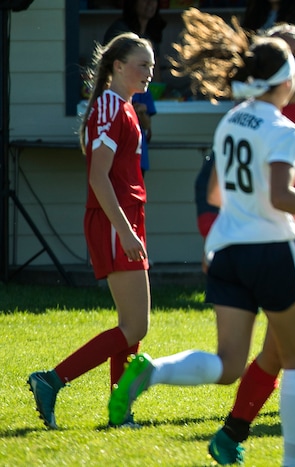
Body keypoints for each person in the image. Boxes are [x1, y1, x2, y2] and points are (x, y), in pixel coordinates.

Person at [107, 10, 295, 467]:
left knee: (229, 364)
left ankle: (154, 370)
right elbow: (281, 195)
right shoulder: (282, 128)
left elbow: (213, 192)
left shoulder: (233, 121)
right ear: (286, 79)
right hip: (273, 249)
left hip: (228, 250)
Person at [188, 23, 295, 466]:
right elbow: (220, 187)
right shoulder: (253, 111)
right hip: (270, 239)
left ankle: (232, 433)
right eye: (288, 54)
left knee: (282, 351)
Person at [27, 33, 155, 429]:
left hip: (125, 220)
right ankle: (51, 380)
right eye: (142, 64)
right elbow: (99, 179)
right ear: (118, 66)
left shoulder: (124, 107)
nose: (150, 72)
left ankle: (120, 413)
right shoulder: (109, 107)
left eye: (151, 64)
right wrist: (126, 230)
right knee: (137, 325)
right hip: (116, 222)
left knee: (130, 327)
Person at [104, 0, 166, 177]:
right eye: (142, 65)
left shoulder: (143, 91)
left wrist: (142, 114)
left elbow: (148, 128)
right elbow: (98, 176)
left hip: (137, 161)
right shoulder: (105, 104)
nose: (150, 3)